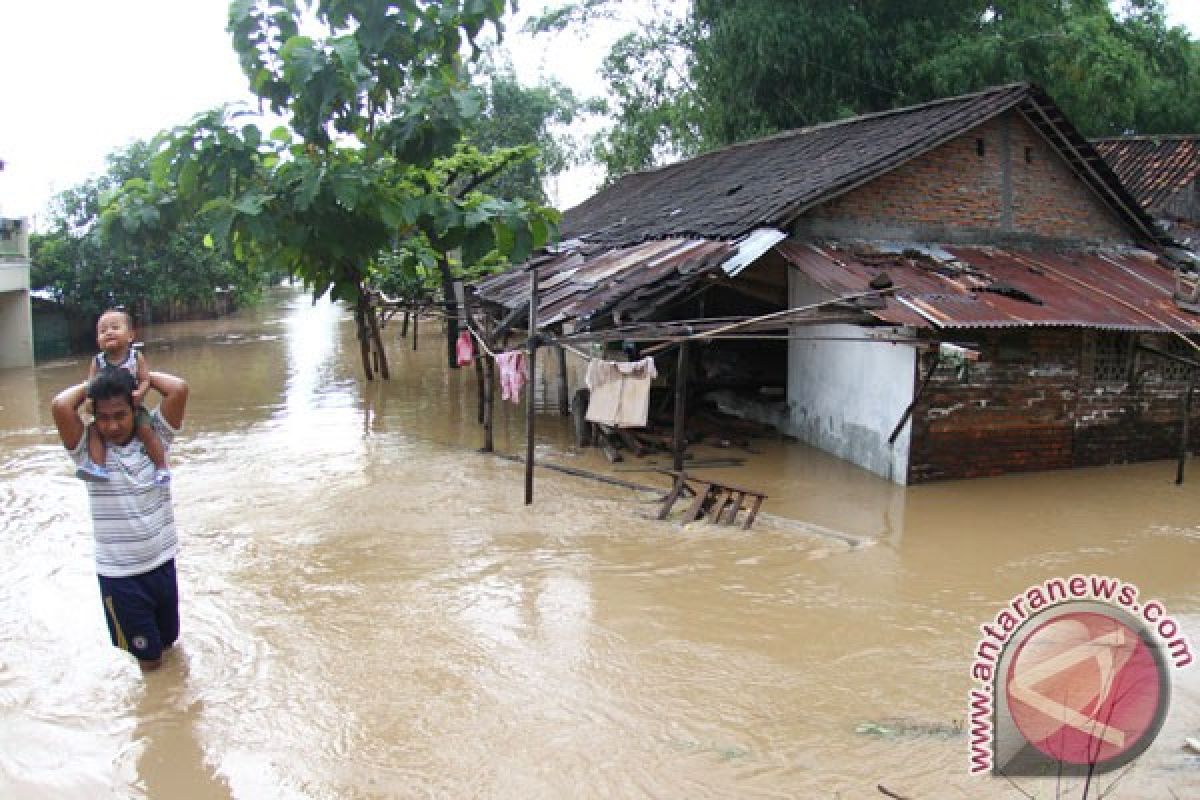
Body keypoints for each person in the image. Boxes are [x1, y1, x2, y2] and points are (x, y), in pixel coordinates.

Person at [51, 368, 189, 670]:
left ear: (136, 410)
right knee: (150, 662)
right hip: (121, 579)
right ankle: (157, 715)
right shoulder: (89, 456)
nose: (111, 425)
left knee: (170, 644)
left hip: (163, 565)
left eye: (120, 415)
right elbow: (61, 406)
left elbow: (178, 388)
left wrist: (137, 378)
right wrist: (95, 383)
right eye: (102, 417)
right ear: (93, 416)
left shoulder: (156, 441)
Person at [77, 308, 170, 485]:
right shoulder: (98, 361)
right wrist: (89, 402)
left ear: (130, 335)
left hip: (133, 406)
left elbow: (145, 380)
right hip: (105, 409)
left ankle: (161, 468)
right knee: (93, 431)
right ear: (98, 340)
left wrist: (140, 393)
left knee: (146, 431)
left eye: (115, 327)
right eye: (103, 331)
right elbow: (91, 385)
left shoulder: (135, 356)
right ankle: (98, 467)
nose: (109, 332)